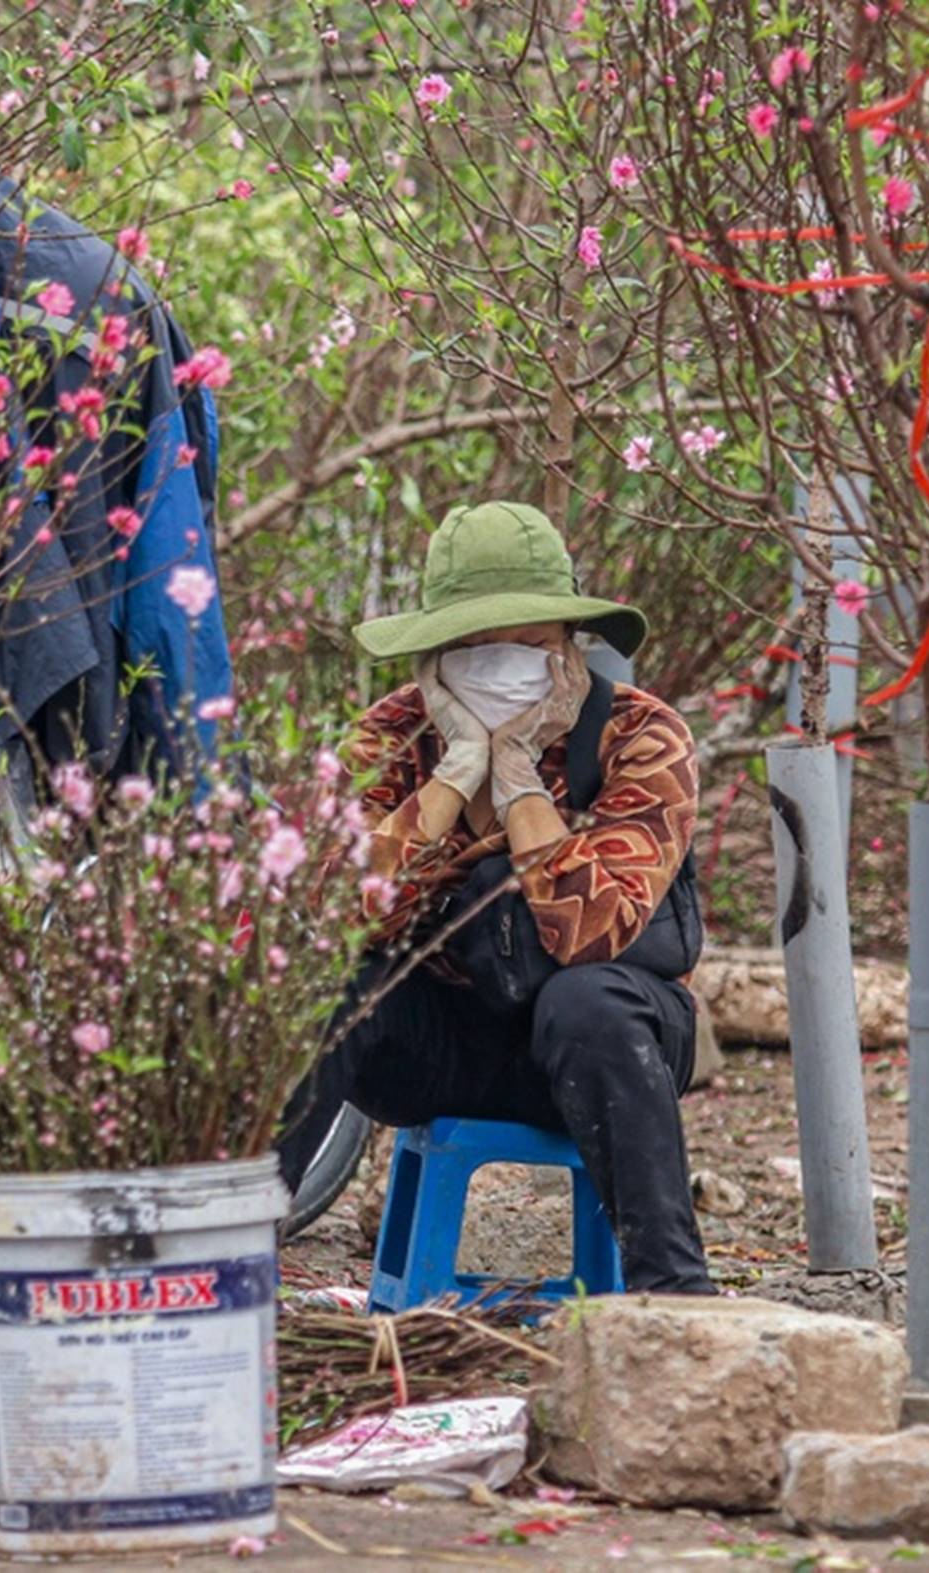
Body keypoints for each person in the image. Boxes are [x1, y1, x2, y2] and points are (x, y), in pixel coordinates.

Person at [279, 500, 714, 1295]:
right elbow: (335, 916)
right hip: (442, 1041)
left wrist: (518, 778)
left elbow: (594, 931)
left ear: (571, 646)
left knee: (588, 1000)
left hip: (611, 1045)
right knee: (330, 987)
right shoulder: (392, 736)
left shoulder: (640, 736)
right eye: (476, 649)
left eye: (529, 646)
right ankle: (218, 1259)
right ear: (435, 656)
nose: (502, 666)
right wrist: (452, 776)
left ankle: (675, 1297)